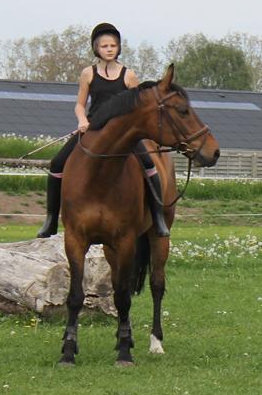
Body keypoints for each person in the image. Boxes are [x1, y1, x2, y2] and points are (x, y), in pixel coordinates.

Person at [37, 22, 169, 238]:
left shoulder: (129, 75)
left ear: (119, 48)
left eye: (113, 45)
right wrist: (82, 120)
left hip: (122, 132)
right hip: (93, 128)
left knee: (149, 165)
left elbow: (136, 108)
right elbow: (80, 104)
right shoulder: (87, 73)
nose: (109, 49)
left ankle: (158, 217)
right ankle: (51, 219)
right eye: (104, 46)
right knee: (57, 163)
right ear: (96, 48)